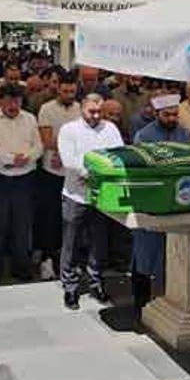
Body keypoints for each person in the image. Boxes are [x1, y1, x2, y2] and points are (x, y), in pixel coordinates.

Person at [57, 94, 123, 310]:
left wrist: (99, 175)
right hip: (75, 194)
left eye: (99, 112)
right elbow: (69, 160)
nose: (95, 115)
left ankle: (96, 282)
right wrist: (90, 173)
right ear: (82, 109)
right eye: (91, 111)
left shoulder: (110, 129)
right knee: (71, 242)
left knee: (99, 241)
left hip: (101, 196)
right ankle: (70, 286)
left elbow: (117, 155)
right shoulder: (69, 129)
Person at [131, 93, 190, 315]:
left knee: (174, 255)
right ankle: (140, 304)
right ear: (157, 114)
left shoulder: (185, 134)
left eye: (175, 115)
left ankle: (170, 302)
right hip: (151, 203)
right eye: (167, 115)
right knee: (145, 254)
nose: (172, 119)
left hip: (179, 201)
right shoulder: (144, 136)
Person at [0, 83, 42, 284]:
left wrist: (27, 157)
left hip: (25, 178)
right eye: (9, 101)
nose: (13, 106)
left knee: (22, 225)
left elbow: (38, 145)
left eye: (17, 101)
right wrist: (10, 159)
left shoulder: (30, 118)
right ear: (0, 100)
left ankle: (21, 267)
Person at [36, 74, 80, 280]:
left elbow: (83, 139)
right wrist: (64, 150)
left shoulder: (80, 109)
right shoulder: (47, 109)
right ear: (58, 90)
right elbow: (46, 140)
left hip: (73, 172)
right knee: (50, 218)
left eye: (72, 91)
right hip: (51, 172)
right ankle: (47, 260)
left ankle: (69, 261)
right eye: (65, 91)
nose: (69, 95)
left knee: (72, 219)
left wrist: (65, 153)